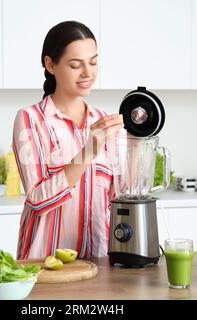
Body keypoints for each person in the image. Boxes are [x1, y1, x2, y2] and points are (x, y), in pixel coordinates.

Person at [12, 21, 123, 259]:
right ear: (50, 64)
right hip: (43, 267)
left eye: (93, 62)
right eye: (76, 65)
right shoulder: (31, 120)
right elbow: (38, 200)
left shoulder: (105, 121)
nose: (88, 73)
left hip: (99, 264)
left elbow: (119, 201)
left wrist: (135, 149)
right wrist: (87, 152)